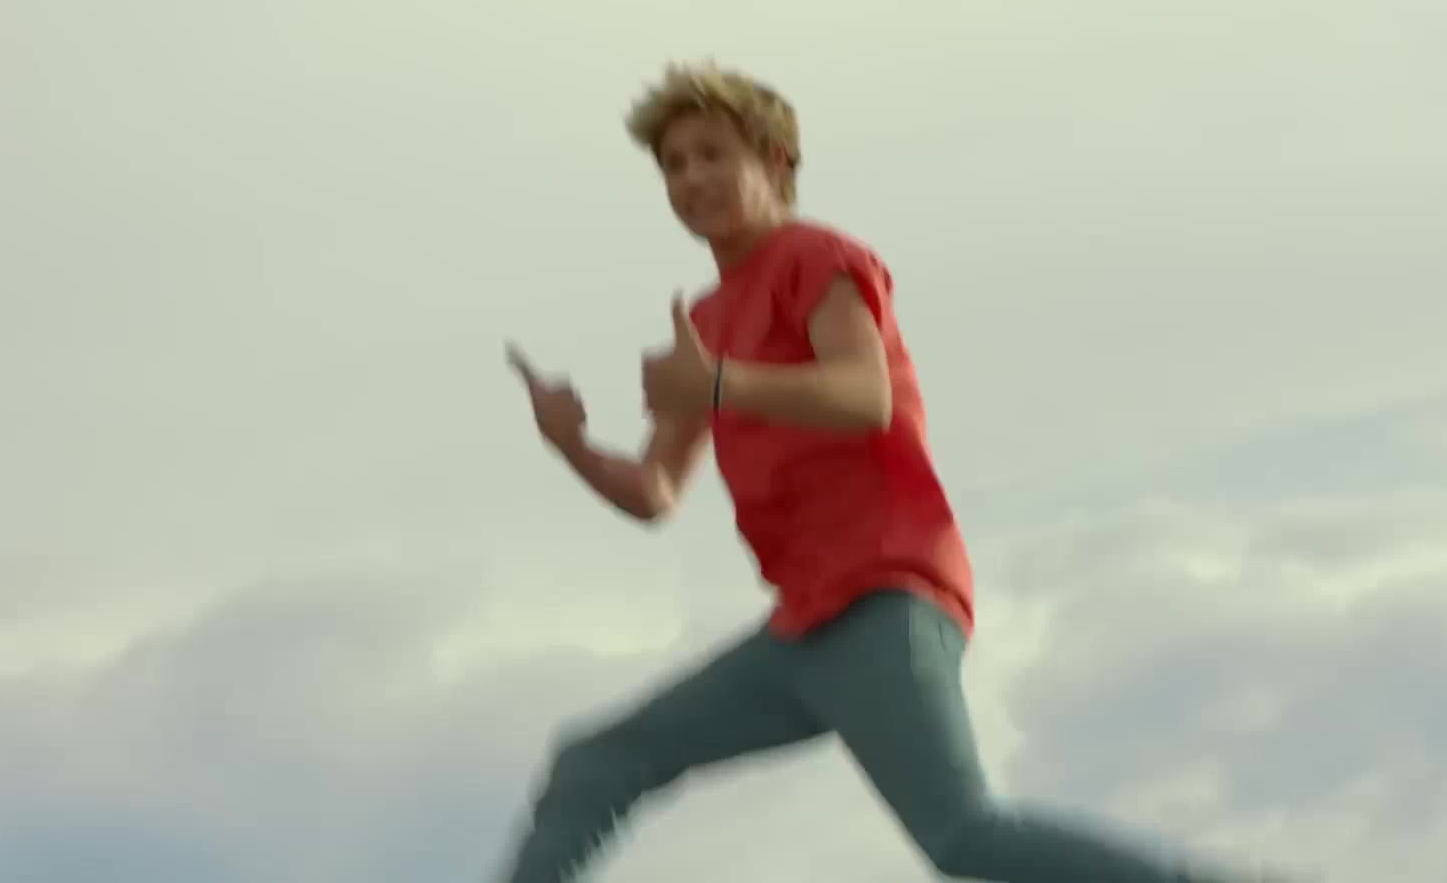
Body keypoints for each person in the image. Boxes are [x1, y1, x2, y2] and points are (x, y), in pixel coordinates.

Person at [499, 62, 1282, 882]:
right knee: (596, 764)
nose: (691, 178)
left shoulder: (818, 259)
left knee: (964, 835)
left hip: (885, 594)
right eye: (673, 165)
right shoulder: (705, 320)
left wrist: (721, 384)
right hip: (802, 630)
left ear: (774, 161)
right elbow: (655, 491)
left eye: (712, 154)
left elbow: (864, 395)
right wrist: (572, 445)